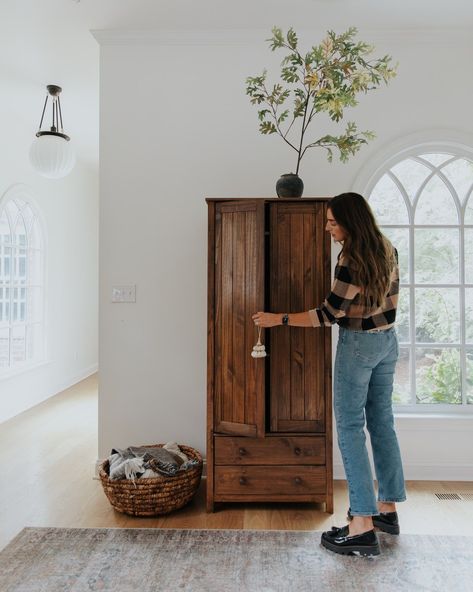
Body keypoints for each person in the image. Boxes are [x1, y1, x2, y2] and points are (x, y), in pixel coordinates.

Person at [252, 192, 406, 557]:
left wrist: (279, 319)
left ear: (351, 222)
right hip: (388, 342)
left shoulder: (350, 258)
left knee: (350, 426)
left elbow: (329, 314)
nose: (327, 228)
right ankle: (387, 511)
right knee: (382, 423)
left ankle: (362, 526)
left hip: (358, 346)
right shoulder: (387, 247)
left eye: (333, 222)